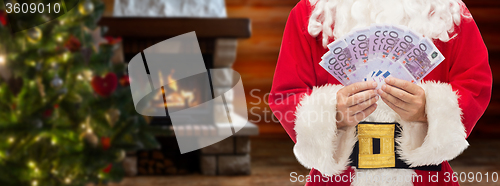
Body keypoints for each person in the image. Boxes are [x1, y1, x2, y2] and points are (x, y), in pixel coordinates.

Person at [268, 0, 492, 185]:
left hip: (425, 176)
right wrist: (332, 113)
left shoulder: (448, 12)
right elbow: (287, 94)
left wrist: (429, 108)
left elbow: (475, 85)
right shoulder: (311, 14)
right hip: (340, 177)